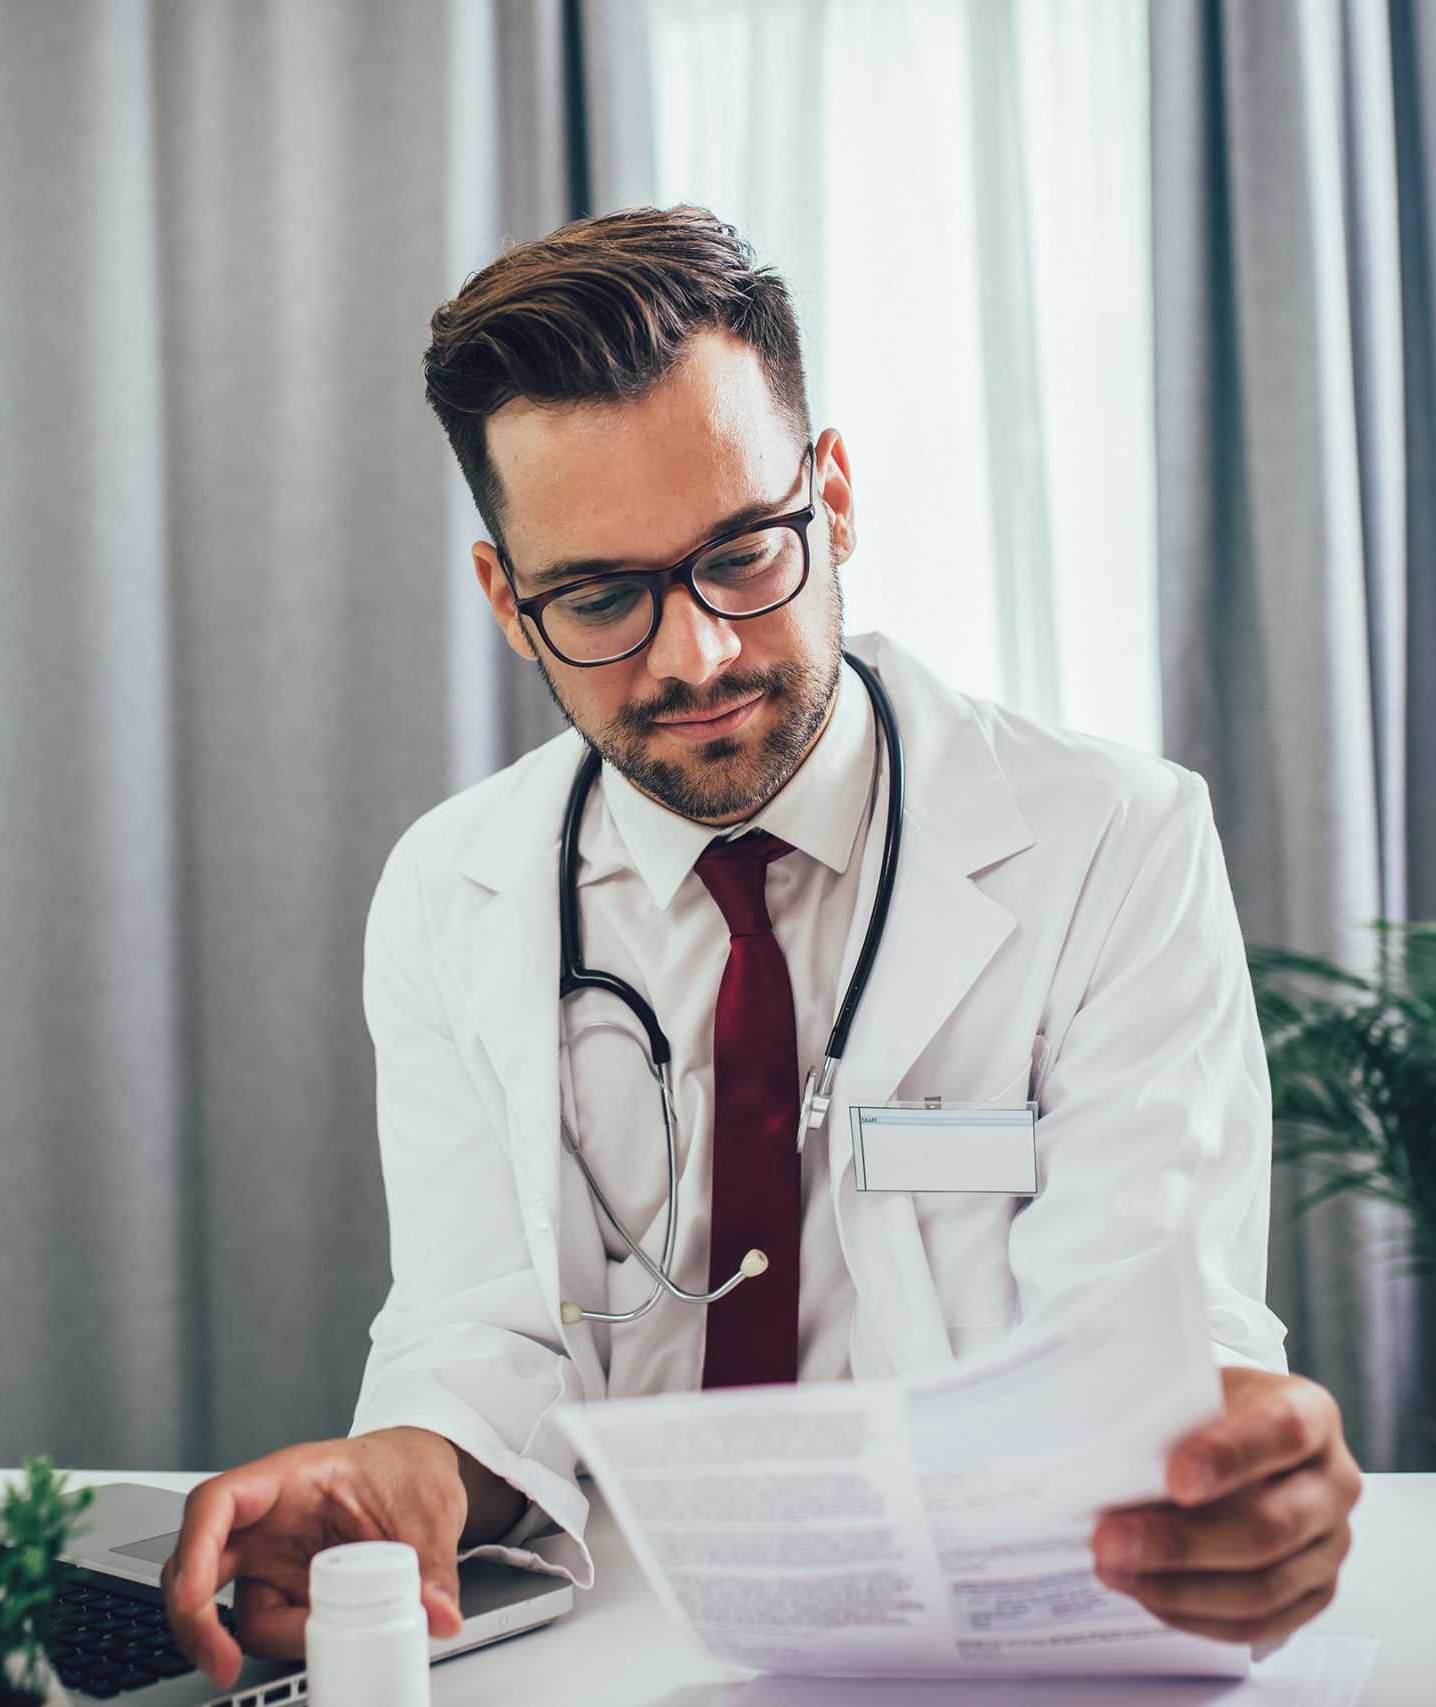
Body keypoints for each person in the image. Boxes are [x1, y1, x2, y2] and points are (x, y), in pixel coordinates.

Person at [161, 206, 1363, 1689]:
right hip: (615, 1650)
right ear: (508, 604)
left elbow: (1148, 1332)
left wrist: (1232, 1465)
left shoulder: (1114, 841)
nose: (698, 656)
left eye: (743, 552)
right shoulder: (450, 889)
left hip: (991, 1650)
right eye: (601, 596)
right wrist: (417, 1463)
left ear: (834, 499)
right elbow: (481, 1322)